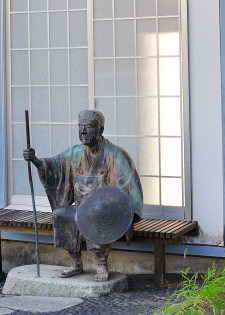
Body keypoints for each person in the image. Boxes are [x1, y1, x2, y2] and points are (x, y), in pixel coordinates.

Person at [23, 110, 143, 281]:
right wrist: (36, 160)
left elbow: (130, 190)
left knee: (97, 213)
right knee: (61, 214)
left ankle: (102, 263)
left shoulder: (117, 155)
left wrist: (118, 209)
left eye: (88, 127)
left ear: (100, 130)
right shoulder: (75, 153)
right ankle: (75, 262)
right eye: (80, 127)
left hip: (106, 211)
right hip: (80, 208)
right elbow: (54, 166)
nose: (83, 132)